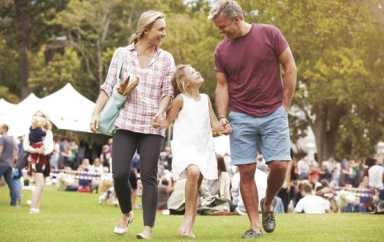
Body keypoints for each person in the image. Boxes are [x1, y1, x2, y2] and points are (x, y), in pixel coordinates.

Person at [209, 0, 297, 238]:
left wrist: (285, 105)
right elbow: (221, 85)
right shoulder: (222, 50)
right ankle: (255, 226)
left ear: (237, 19)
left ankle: (268, 203)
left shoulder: (269, 33)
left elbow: (289, 66)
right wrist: (222, 116)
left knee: (279, 165)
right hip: (240, 115)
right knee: (246, 170)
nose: (221, 31)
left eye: (223, 26)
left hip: (273, 113)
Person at [90, 10, 175, 239]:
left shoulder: (166, 59)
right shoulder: (122, 54)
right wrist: (96, 112)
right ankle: (126, 212)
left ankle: (147, 228)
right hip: (125, 122)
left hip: (152, 126)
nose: (163, 34)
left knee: (149, 177)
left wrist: (160, 111)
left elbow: (168, 92)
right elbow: (108, 86)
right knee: (118, 173)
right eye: (160, 30)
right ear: (146, 30)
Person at [153, 64, 226, 238]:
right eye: (193, 72)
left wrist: (223, 125)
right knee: (193, 172)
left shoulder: (206, 99)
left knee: (197, 183)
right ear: (184, 82)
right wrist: (158, 121)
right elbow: (168, 122)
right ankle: (187, 219)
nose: (198, 71)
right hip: (185, 146)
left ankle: (189, 224)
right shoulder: (180, 99)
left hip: (203, 148)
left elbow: (214, 124)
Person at [23, 111, 54, 214]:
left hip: (44, 159)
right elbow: (25, 146)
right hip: (35, 159)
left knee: (41, 184)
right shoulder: (29, 131)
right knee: (39, 184)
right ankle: (33, 208)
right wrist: (36, 150)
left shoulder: (48, 132)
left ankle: (36, 207)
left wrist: (44, 151)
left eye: (41, 115)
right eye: (36, 115)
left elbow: (50, 147)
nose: (38, 117)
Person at [0, 123, 18, 206]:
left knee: (10, 183)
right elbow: (16, 150)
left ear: (4, 129)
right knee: (11, 183)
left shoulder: (2, 138)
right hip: (9, 164)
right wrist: (13, 161)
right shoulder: (12, 139)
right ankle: (13, 202)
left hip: (2, 163)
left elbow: (0, 151)